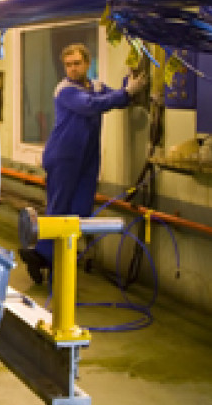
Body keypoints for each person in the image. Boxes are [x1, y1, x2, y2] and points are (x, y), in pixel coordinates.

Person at [18, 43, 146, 284]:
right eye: (68, 65)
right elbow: (92, 105)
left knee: (80, 211)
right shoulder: (65, 90)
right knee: (59, 210)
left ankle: (54, 259)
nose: (73, 69)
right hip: (63, 156)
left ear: (87, 63)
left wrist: (129, 82)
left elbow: (114, 99)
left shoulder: (95, 86)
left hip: (87, 158)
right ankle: (47, 259)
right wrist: (126, 93)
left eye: (77, 63)